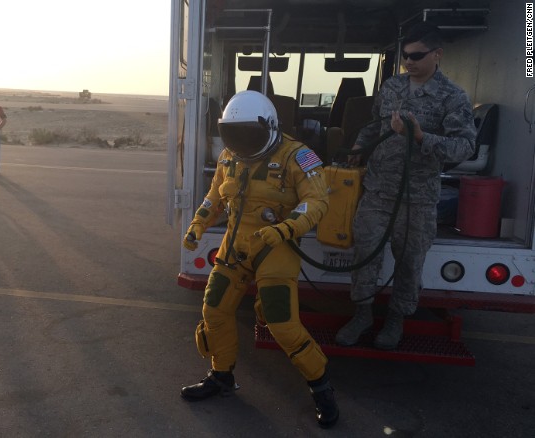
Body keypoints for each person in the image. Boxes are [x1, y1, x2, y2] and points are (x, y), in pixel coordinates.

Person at [180, 90, 338, 428]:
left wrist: (287, 228)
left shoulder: (299, 156)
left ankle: (321, 387)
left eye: (247, 135)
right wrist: (197, 225)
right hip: (235, 247)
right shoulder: (229, 157)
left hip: (276, 245)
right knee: (214, 310)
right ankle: (220, 375)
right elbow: (214, 196)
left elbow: (317, 201)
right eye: (233, 135)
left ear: (270, 127)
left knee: (282, 323)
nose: (240, 143)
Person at [335, 22, 476, 350]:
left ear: (437, 54)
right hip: (377, 192)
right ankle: (362, 315)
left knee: (409, 264)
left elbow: (465, 147)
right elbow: (374, 126)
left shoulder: (452, 97)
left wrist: (421, 137)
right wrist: (359, 147)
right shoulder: (392, 87)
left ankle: (395, 321)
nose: (409, 61)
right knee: (365, 255)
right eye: (405, 56)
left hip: (418, 199)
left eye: (416, 55)